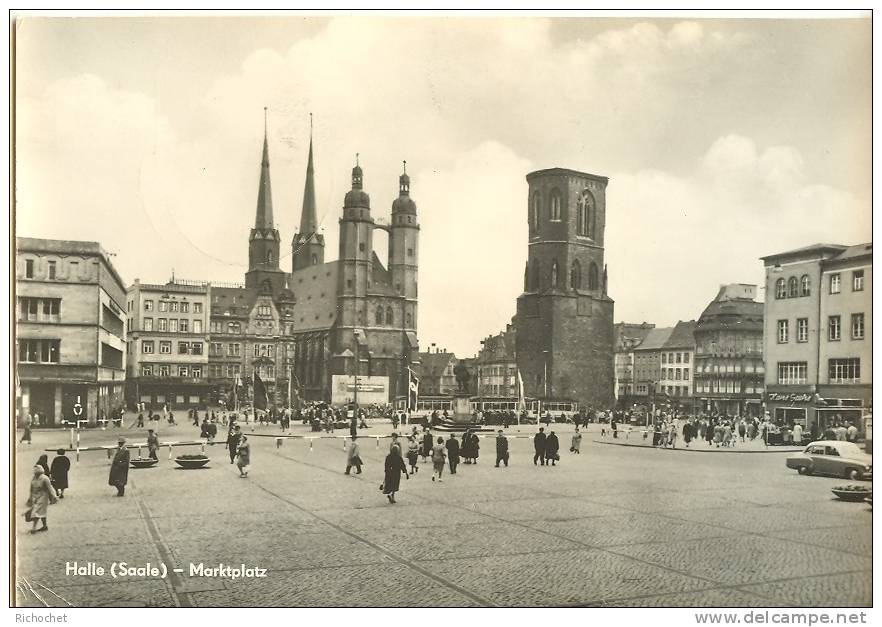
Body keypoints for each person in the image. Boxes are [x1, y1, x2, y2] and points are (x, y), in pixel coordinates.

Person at [25, 465, 57, 533]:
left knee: (36, 512)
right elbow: (31, 489)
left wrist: (54, 496)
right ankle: (45, 526)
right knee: (42, 512)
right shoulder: (34, 478)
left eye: (36, 472)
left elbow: (50, 488)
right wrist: (30, 498)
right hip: (35, 497)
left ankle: (34, 528)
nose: (35, 473)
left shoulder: (45, 478)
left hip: (43, 497)